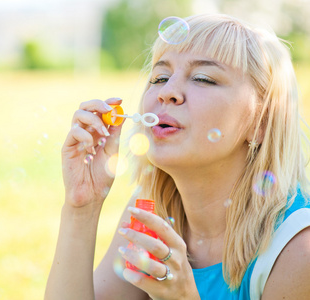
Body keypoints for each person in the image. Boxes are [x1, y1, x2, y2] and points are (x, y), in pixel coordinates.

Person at [44, 13, 310, 300]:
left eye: (203, 78)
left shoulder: (298, 249)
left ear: (261, 123)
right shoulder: (152, 211)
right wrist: (81, 206)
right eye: (160, 77)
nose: (167, 92)